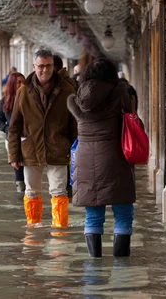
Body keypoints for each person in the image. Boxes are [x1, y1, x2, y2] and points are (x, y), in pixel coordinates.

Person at [67, 59, 135, 258]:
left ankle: (94, 270)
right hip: (115, 156)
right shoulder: (120, 93)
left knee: (93, 216)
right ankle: (122, 270)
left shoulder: (79, 96)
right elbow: (131, 117)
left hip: (85, 159)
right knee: (123, 213)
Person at [8, 49, 78, 228]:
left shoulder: (67, 89)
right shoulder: (23, 92)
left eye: (48, 66)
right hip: (31, 149)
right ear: (34, 66)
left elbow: (74, 125)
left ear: (53, 67)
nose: (44, 70)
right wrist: (14, 156)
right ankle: (33, 228)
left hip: (58, 147)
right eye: (41, 66)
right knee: (31, 192)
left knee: (59, 191)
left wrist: (74, 150)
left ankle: (60, 231)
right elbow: (14, 126)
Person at [0, 72, 26, 192]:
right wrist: (9, 130)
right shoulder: (4, 102)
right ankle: (20, 193)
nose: (22, 85)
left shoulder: (30, 100)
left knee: (28, 166)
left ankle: (28, 196)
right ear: (12, 84)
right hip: (12, 139)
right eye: (19, 82)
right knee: (17, 166)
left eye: (24, 82)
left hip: (27, 138)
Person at [53, 55, 78, 198]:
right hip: (66, 133)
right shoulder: (69, 83)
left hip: (64, 133)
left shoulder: (65, 85)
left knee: (64, 173)